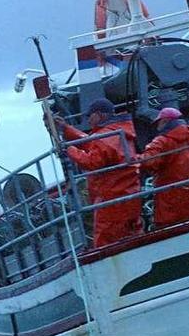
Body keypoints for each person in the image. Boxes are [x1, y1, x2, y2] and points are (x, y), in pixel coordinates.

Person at [53, 99, 143, 247]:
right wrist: (65, 128)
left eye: (90, 115)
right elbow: (92, 143)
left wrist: (69, 149)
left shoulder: (107, 136)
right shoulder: (117, 131)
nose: (88, 119)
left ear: (100, 115)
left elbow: (92, 162)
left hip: (112, 199)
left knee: (105, 241)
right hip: (128, 194)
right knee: (133, 234)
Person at [138, 107, 189, 228]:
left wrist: (132, 159)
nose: (157, 127)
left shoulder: (162, 141)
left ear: (165, 122)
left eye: (159, 123)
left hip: (171, 203)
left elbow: (148, 161)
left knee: (171, 231)